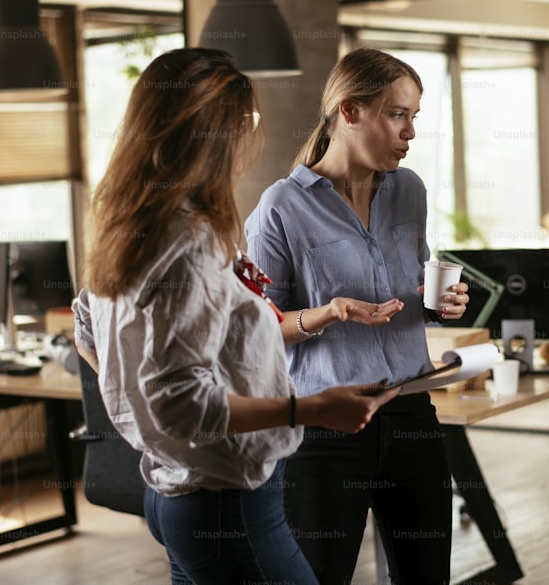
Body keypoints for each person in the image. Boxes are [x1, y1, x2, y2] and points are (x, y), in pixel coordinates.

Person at [71, 47, 401, 585]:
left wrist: (137, 404)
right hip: (228, 503)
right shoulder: (188, 241)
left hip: (172, 489)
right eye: (244, 122)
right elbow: (182, 403)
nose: (250, 136)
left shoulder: (131, 223)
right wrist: (311, 409)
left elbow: (87, 327)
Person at [244, 47, 470, 584]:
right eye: (397, 114)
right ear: (349, 112)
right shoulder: (280, 207)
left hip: (412, 417)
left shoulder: (409, 191)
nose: (410, 132)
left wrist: (438, 306)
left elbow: (407, 292)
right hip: (325, 431)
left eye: (415, 117)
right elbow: (258, 336)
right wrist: (327, 313)